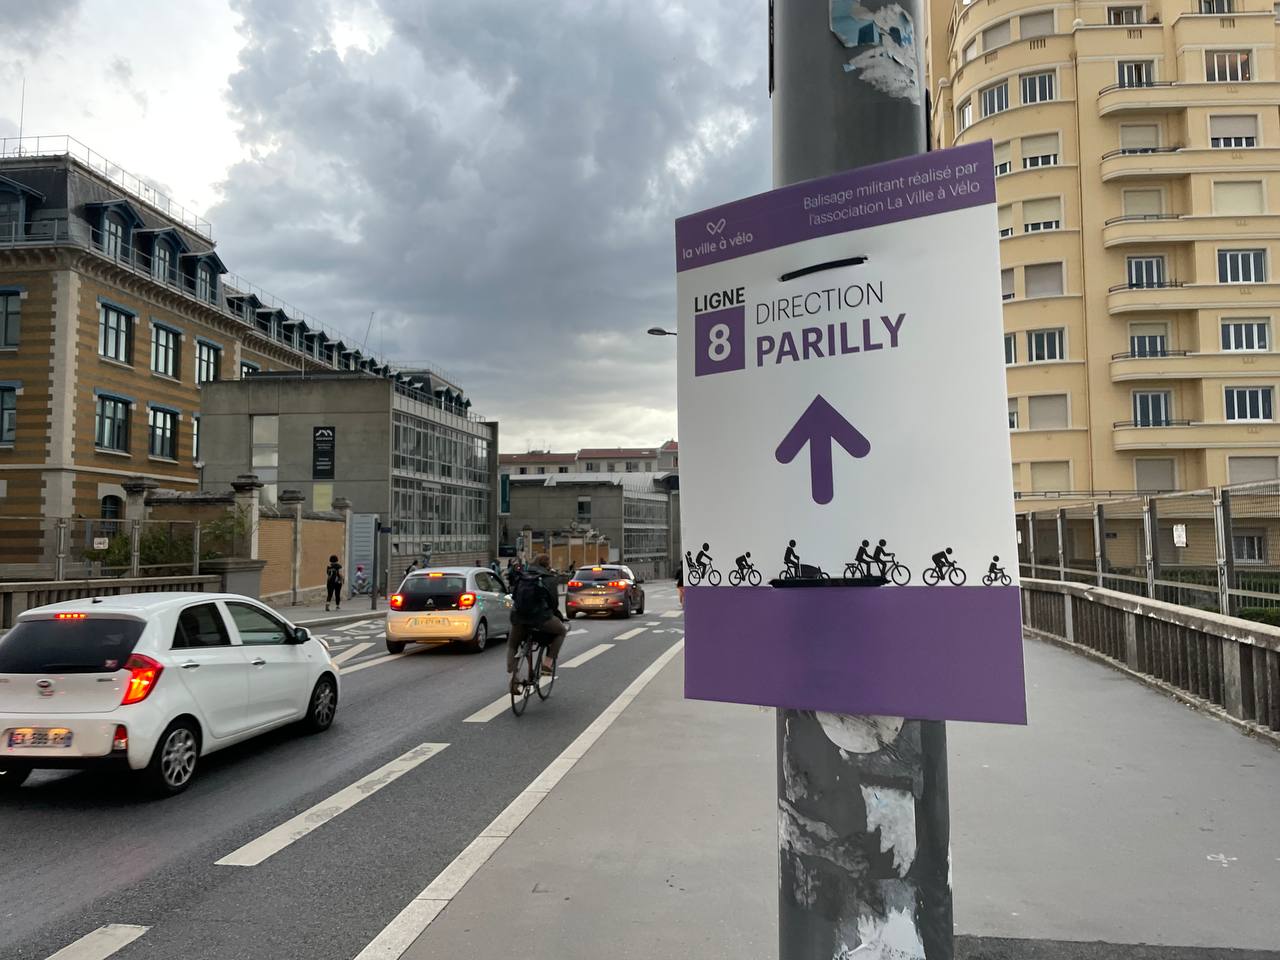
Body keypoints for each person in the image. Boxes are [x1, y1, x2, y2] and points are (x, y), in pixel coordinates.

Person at [507, 553, 568, 690]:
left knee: (513, 644)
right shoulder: (548, 578)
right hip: (540, 618)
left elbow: (514, 595)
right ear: (547, 565)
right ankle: (547, 663)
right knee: (561, 631)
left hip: (518, 617)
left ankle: (512, 674)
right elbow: (553, 603)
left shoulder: (521, 575)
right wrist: (557, 616)